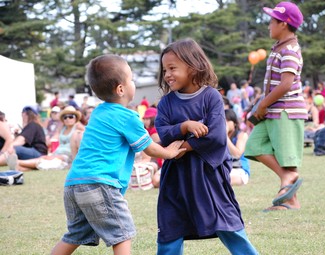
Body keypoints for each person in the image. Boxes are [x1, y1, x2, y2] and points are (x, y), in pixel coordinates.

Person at [50, 54, 185, 255]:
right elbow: (148, 147)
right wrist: (169, 152)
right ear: (121, 89)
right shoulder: (127, 116)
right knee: (123, 233)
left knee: (75, 235)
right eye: (131, 79)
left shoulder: (98, 113)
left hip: (74, 183)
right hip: (99, 183)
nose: (133, 83)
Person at [155, 38, 258, 255]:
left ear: (193, 67)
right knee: (171, 227)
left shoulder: (211, 97)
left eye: (173, 68)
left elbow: (217, 137)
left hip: (209, 177)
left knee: (228, 224)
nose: (167, 75)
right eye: (165, 70)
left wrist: (182, 146)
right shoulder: (166, 103)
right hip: (176, 178)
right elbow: (163, 135)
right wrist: (184, 126)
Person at [244, 2, 306, 211]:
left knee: (287, 157)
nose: (269, 25)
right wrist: (259, 105)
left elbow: (286, 84)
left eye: (273, 21)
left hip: (286, 110)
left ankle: (290, 201)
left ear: (284, 24)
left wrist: (263, 104)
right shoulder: (279, 48)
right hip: (273, 110)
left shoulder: (290, 49)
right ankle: (287, 182)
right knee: (253, 146)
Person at [17, 106, 84, 171]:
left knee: (48, 160)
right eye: (65, 117)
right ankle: (23, 166)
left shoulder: (78, 127)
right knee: (45, 159)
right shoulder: (62, 128)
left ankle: (19, 162)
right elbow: (53, 139)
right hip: (58, 152)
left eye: (71, 116)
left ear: (75, 118)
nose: (67, 119)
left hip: (68, 156)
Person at [225, 109, 251, 186]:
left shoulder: (242, 135)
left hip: (240, 171)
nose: (225, 124)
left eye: (227, 121)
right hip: (226, 169)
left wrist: (225, 136)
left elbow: (237, 154)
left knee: (221, 178)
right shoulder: (219, 137)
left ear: (235, 123)